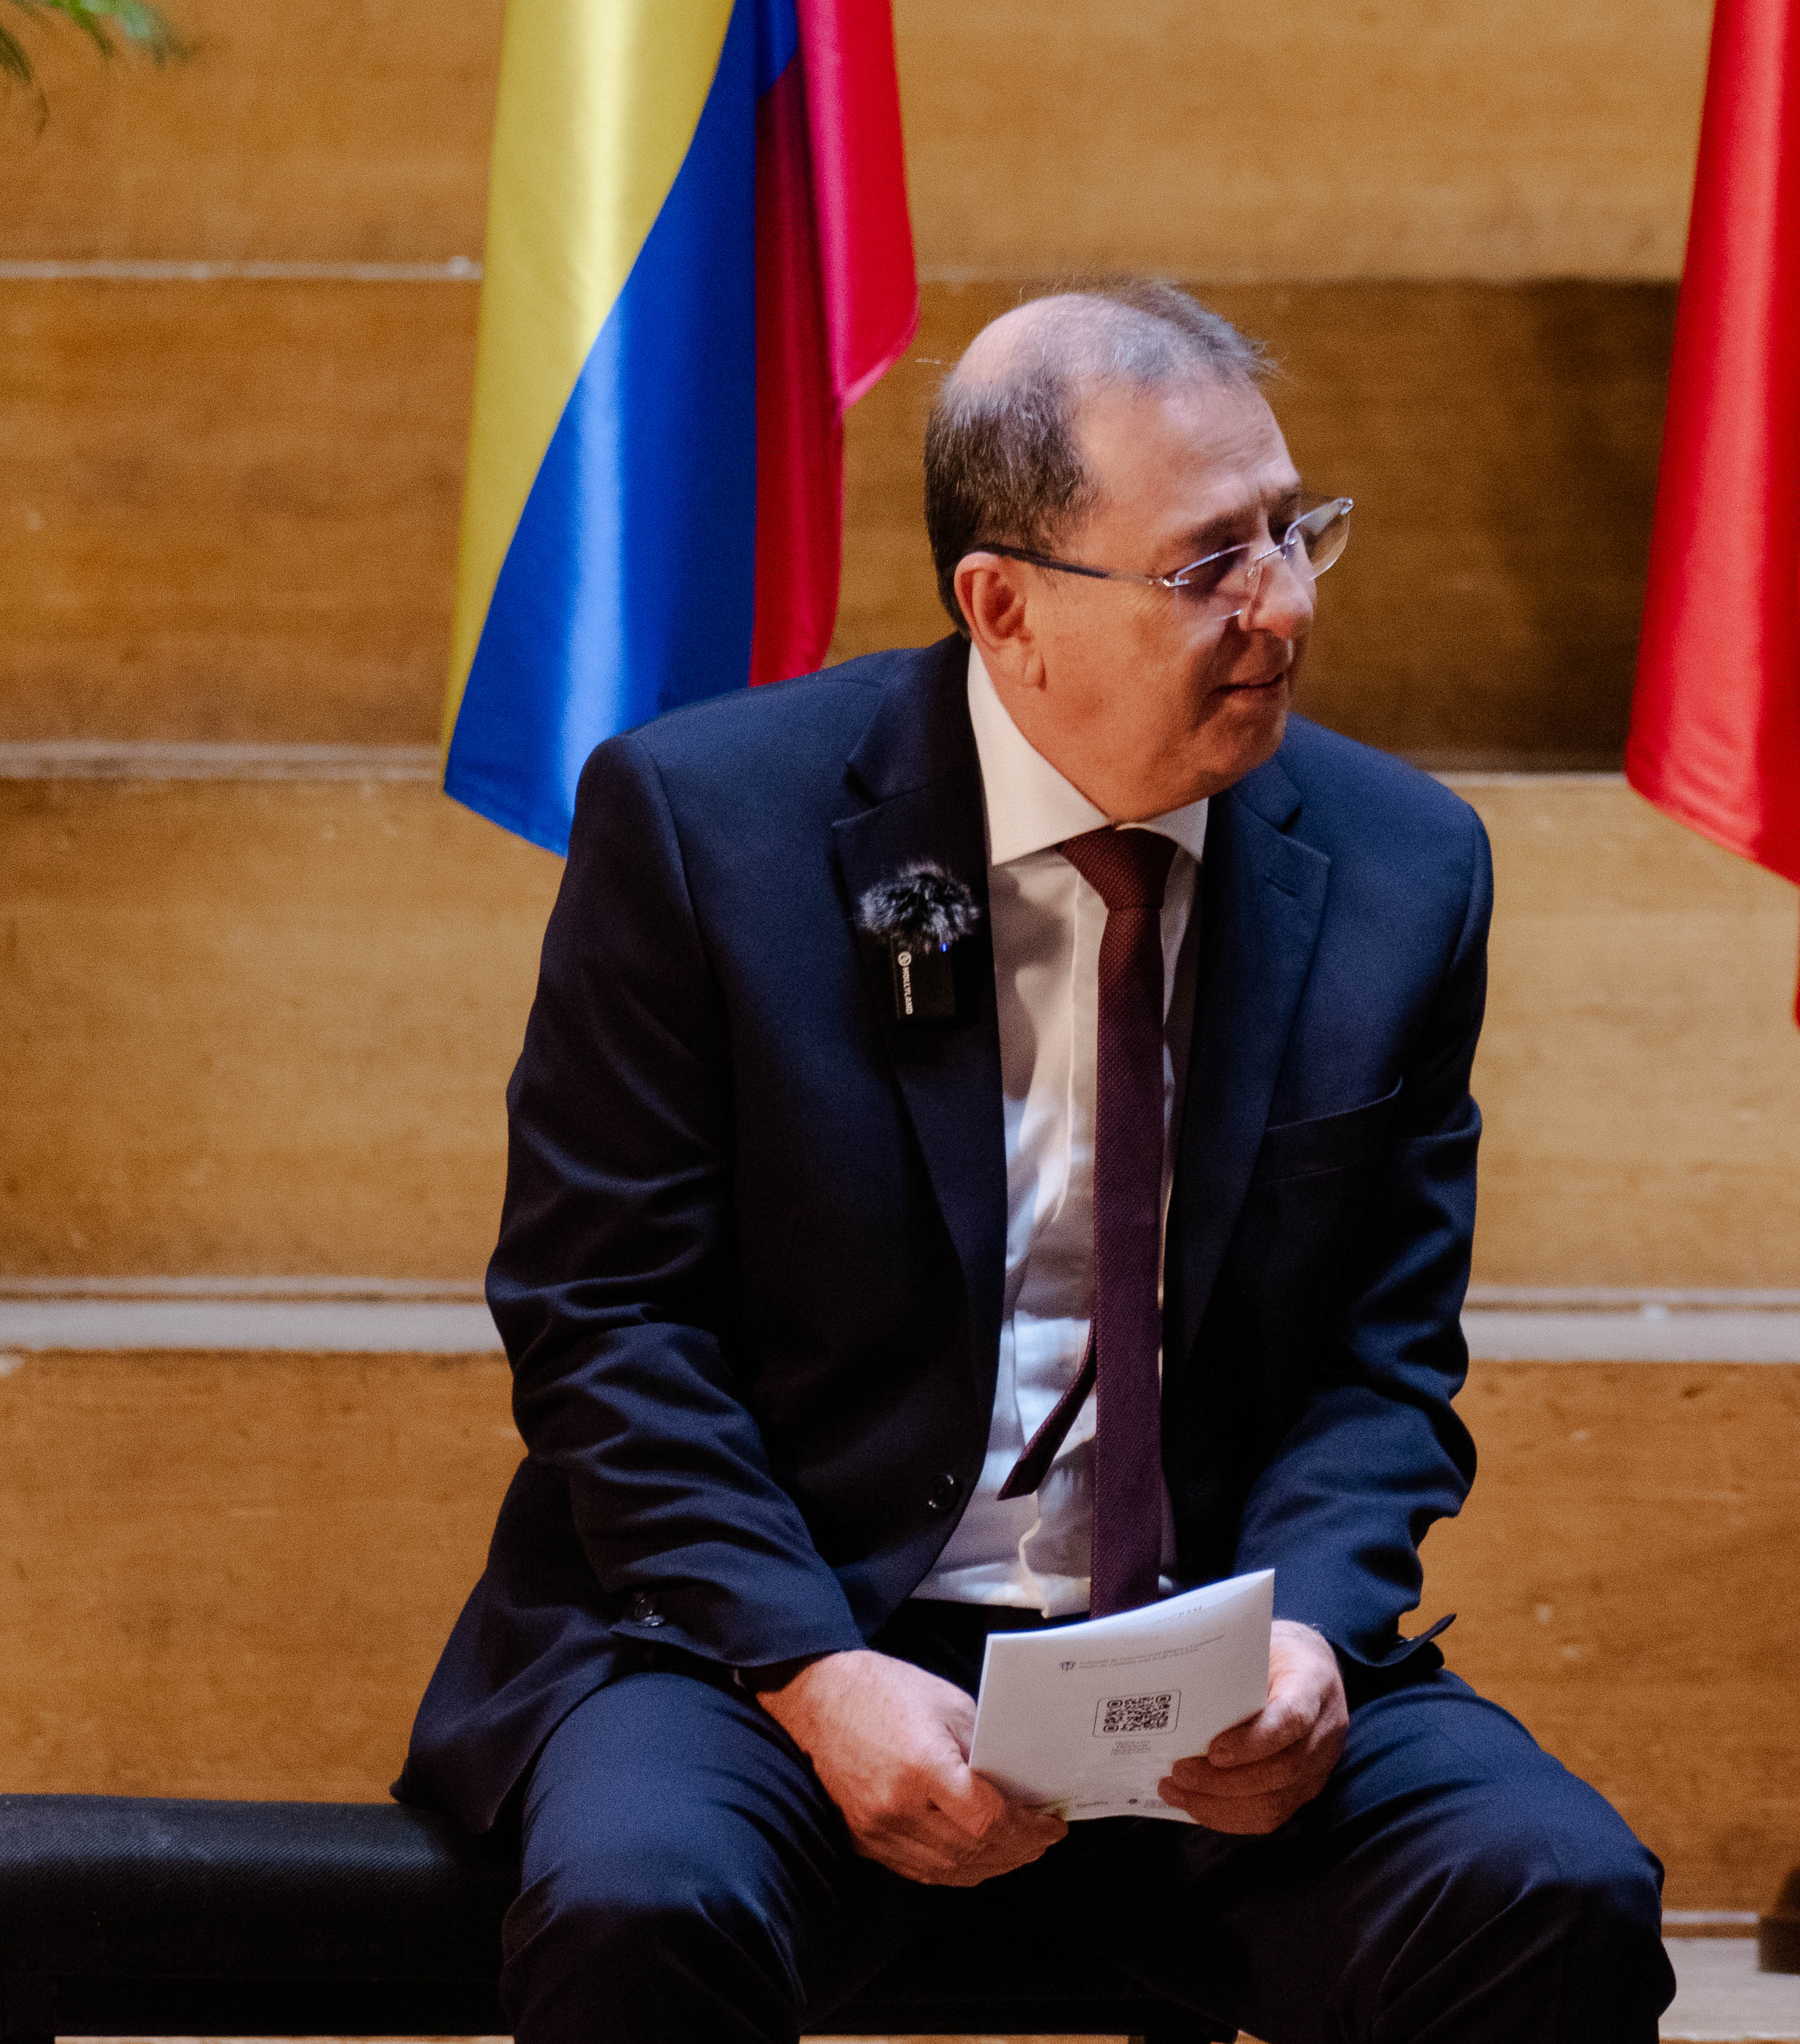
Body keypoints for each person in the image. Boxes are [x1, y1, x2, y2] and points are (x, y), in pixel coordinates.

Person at [398, 280, 1672, 2044]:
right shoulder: (708, 830)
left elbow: (1386, 1364)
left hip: (1205, 1666)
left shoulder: (1401, 869)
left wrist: (1305, 1638)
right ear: (1004, 609)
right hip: (779, 1635)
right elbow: (604, 1321)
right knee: (642, 1911)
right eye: (1208, 563)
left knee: (1556, 1897)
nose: (1283, 604)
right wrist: (819, 1675)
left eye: (1295, 532)